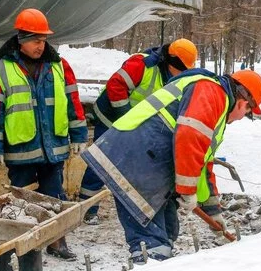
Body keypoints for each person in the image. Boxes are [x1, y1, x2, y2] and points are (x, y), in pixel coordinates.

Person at [81, 69, 261, 263]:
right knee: (152, 244)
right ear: (244, 102)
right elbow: (189, 137)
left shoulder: (215, 103)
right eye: (247, 113)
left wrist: (213, 211)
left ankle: (158, 269)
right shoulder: (210, 91)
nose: (240, 118)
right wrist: (186, 190)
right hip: (134, 161)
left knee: (169, 229)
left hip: (148, 164)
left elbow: (203, 164)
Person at [0, 8, 88, 259]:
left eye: (43, 40)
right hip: (21, 148)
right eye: (35, 40)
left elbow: (73, 101)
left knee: (54, 197)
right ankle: (25, 247)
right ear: (21, 39)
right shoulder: (0, 69)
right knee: (21, 200)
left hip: (54, 147)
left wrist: (79, 134)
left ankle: (56, 241)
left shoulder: (60, 66)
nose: (41, 45)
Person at [78, 39, 197, 225]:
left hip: (134, 126)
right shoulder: (142, 64)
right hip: (111, 118)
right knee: (101, 163)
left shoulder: (172, 78)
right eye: (181, 69)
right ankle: (86, 208)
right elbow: (116, 85)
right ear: (172, 62)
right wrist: (126, 117)